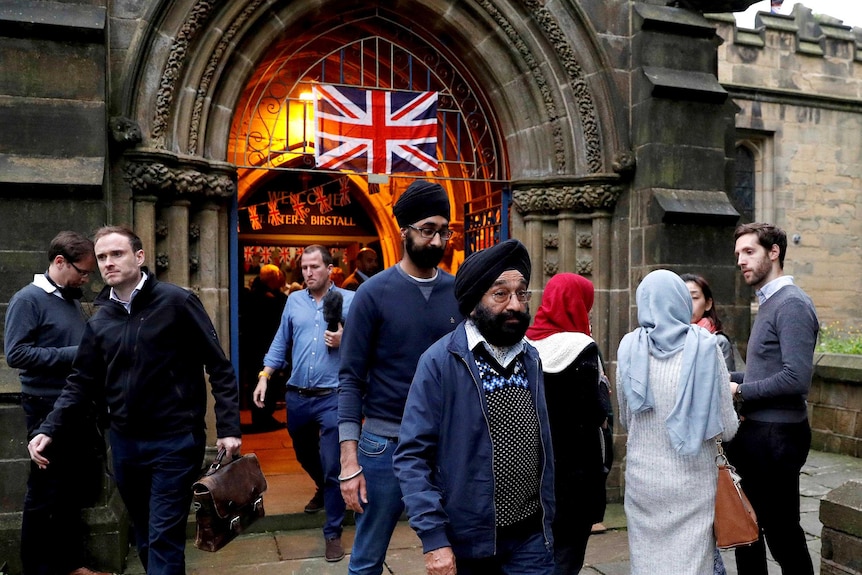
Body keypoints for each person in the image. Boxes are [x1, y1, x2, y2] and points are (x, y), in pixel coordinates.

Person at [27, 225, 242, 575]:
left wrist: (229, 427)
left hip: (175, 440)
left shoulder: (177, 302)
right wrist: (49, 428)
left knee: (163, 536)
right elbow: (80, 382)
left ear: (139, 257)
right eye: (102, 257)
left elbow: (218, 366)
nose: (108, 262)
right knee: (144, 535)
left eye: (117, 254)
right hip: (126, 444)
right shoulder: (100, 320)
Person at [394, 239, 555, 575]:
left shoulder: (531, 358)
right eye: (500, 294)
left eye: (521, 293)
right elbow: (412, 456)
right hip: (468, 542)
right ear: (472, 304)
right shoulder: (441, 362)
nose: (515, 305)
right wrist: (435, 539)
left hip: (530, 537)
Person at [338, 180, 462, 575]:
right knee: (367, 558)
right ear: (403, 231)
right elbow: (351, 378)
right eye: (428, 230)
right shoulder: (372, 294)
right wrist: (349, 460)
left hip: (447, 446)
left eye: (444, 230)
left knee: (454, 553)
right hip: (383, 445)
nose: (438, 240)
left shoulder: (459, 293)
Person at [616, 270, 739, 575]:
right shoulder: (706, 347)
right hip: (693, 483)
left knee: (646, 564)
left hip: (643, 482)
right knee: (691, 565)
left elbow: (625, 418)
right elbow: (727, 427)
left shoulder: (629, 348)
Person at [5, 231, 111, 575]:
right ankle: (38, 569)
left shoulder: (68, 298)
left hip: (74, 405)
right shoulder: (28, 299)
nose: (87, 278)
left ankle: (70, 565)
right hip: (45, 406)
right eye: (82, 271)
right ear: (59, 262)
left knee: (70, 494)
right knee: (43, 494)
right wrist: (76, 354)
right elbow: (16, 354)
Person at [725, 223, 819, 575]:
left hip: (777, 438)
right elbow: (767, 371)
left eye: (749, 252)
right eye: (738, 255)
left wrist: (740, 390)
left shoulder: (792, 303)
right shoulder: (769, 302)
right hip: (758, 435)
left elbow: (796, 379)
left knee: (782, 537)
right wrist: (726, 378)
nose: (741, 261)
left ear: (774, 252)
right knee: (746, 532)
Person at [253, 245, 354, 562]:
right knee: (303, 452)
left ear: (329, 268)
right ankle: (322, 488)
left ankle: (333, 533)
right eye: (304, 268)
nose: (308, 273)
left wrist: (344, 338)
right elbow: (281, 339)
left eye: (314, 267)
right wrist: (265, 375)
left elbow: (370, 343)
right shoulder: (294, 301)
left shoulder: (349, 301)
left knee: (333, 465)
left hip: (333, 397)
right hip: (298, 394)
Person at [525, 273, 608, 575]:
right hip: (577, 473)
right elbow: (596, 411)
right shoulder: (582, 346)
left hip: (534, 468)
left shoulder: (525, 343)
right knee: (568, 555)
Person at [241, 264, 287, 432]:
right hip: (262, 348)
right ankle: (262, 417)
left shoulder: (256, 296)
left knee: (268, 384)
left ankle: (264, 416)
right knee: (265, 383)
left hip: (259, 347)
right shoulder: (264, 298)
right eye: (279, 277)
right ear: (273, 279)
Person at [681, 273, 736, 371]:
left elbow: (726, 381)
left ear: (708, 304)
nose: (688, 304)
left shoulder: (718, 342)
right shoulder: (664, 339)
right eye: (682, 298)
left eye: (694, 298)